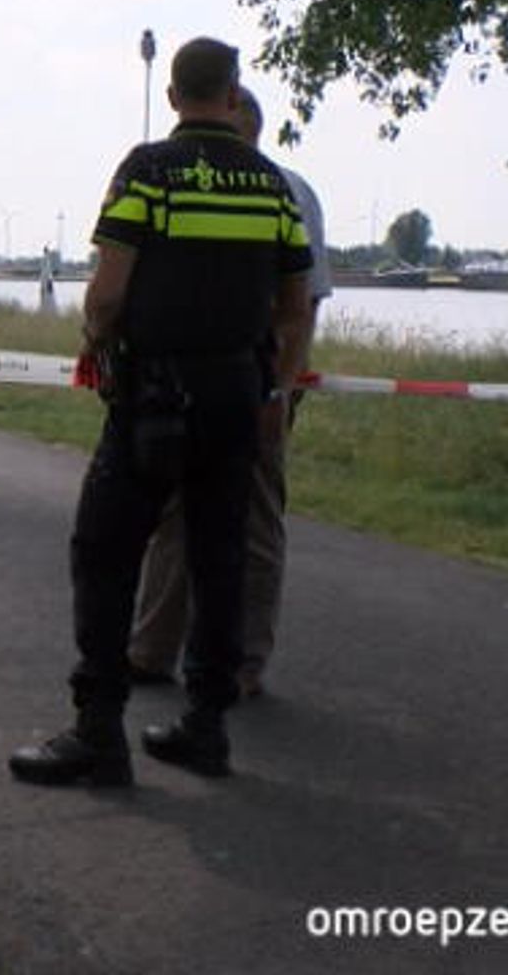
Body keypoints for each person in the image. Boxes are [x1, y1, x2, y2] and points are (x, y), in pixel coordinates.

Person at [8, 38, 313, 785]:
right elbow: (295, 303)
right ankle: (204, 728)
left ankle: (98, 731)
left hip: (155, 397)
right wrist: (269, 379)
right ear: (233, 96)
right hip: (237, 395)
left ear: (174, 96)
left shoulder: (148, 171)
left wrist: (97, 337)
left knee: (105, 551)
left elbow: (109, 290)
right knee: (218, 556)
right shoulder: (271, 184)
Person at [127, 86, 332, 698]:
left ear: (240, 119)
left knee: (252, 517)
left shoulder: (285, 189)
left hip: (255, 379)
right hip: (206, 379)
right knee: (181, 514)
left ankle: (236, 661)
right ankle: (159, 648)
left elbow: (304, 301)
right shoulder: (202, 181)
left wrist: (281, 388)